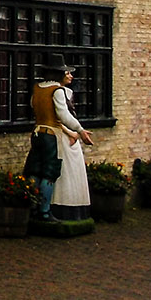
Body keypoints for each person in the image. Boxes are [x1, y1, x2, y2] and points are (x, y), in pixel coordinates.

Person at [24, 63, 93, 221]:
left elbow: (32, 105)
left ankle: (31, 208)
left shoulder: (37, 88)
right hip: (51, 134)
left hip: (37, 133)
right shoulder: (57, 90)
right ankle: (45, 211)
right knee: (49, 172)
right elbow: (63, 114)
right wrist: (79, 129)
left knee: (35, 171)